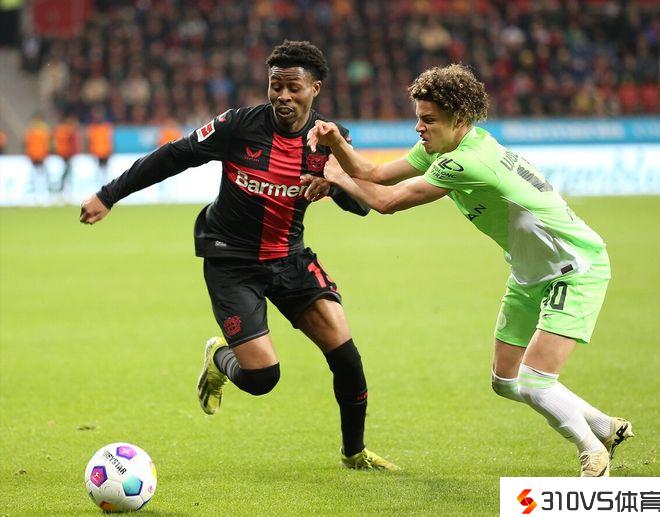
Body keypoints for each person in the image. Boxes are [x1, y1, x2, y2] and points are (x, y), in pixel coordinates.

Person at [79, 40, 398, 471]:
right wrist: (109, 194)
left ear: (315, 89)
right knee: (263, 378)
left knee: (346, 356)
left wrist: (334, 185)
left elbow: (362, 205)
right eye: (276, 86)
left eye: (294, 88)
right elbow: (174, 156)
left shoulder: (330, 139)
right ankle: (219, 356)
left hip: (289, 257)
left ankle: (354, 453)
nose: (283, 96)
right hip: (230, 259)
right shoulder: (238, 125)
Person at [307, 64, 633, 477]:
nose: (419, 128)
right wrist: (336, 142)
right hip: (529, 272)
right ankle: (604, 428)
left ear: (459, 118)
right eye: (418, 117)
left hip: (575, 267)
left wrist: (335, 175)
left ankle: (593, 453)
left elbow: (386, 201)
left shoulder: (467, 162)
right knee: (505, 381)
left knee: (536, 382)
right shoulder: (454, 145)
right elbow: (373, 173)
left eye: (428, 120)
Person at [24, 113, 51, 199]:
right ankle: (34, 189)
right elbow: (27, 143)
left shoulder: (43, 131)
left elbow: (47, 144)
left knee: (43, 173)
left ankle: (46, 189)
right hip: (34, 155)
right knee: (34, 173)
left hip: (41, 155)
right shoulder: (32, 131)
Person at [53, 115, 80, 195]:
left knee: (66, 170)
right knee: (67, 170)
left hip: (61, 153)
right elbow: (71, 143)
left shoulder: (60, 129)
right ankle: (62, 186)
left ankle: (62, 186)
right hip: (66, 154)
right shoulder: (68, 131)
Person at [86, 107, 114, 186]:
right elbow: (89, 141)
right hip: (96, 152)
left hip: (105, 152)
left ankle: (105, 184)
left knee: (105, 170)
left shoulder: (106, 127)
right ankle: (98, 184)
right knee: (98, 169)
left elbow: (110, 140)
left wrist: (110, 150)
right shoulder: (92, 127)